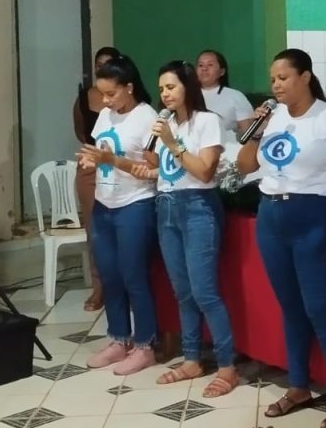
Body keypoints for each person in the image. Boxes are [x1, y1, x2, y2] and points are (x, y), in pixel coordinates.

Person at [236, 48, 326, 428]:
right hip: (271, 217)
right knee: (290, 307)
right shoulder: (271, 118)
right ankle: (299, 386)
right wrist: (255, 130)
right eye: (273, 79)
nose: (276, 85)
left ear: (305, 77)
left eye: (283, 78)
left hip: (313, 219)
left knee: (322, 310)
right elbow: (245, 166)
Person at [130, 61, 239, 395]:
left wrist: (172, 143)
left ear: (187, 87)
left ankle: (227, 366)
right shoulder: (165, 125)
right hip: (165, 206)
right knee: (183, 291)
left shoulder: (207, 122)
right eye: (161, 88)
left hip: (197, 208)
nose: (165, 94)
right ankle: (191, 358)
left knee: (205, 291)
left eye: (171, 87)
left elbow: (205, 171)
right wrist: (151, 152)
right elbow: (160, 165)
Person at [77, 54, 160, 375]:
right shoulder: (106, 116)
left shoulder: (147, 118)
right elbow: (97, 151)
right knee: (110, 276)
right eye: (102, 94)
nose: (106, 101)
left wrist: (109, 160)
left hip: (135, 204)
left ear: (129, 87)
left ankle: (144, 345)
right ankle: (118, 338)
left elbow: (153, 169)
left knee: (133, 277)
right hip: (105, 203)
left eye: (111, 94)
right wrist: (90, 162)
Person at [71, 46, 119, 311]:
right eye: (98, 63)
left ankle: (123, 287)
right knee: (95, 231)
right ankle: (99, 288)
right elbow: (80, 131)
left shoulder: (128, 97)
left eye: (108, 63)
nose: (102, 67)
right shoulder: (84, 96)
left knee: (121, 229)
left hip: (120, 166)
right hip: (90, 168)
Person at [197, 49, 256, 139]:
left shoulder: (235, 96)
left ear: (222, 72)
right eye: (200, 65)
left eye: (210, 65)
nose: (204, 69)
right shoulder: (186, 96)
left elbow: (248, 133)